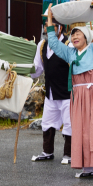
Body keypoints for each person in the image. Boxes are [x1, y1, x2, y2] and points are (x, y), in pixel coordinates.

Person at [46, 0, 93, 178]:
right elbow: (53, 43)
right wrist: (50, 22)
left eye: (78, 34)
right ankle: (88, 165)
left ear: (86, 36)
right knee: (81, 129)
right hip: (78, 95)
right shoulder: (70, 53)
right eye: (72, 34)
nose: (74, 37)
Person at [30, 20, 72, 164]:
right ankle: (47, 152)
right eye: (45, 26)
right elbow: (37, 69)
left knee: (69, 123)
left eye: (51, 26)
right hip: (50, 91)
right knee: (47, 122)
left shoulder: (69, 44)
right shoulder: (41, 45)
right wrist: (23, 67)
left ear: (60, 28)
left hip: (67, 93)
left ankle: (69, 154)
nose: (46, 29)